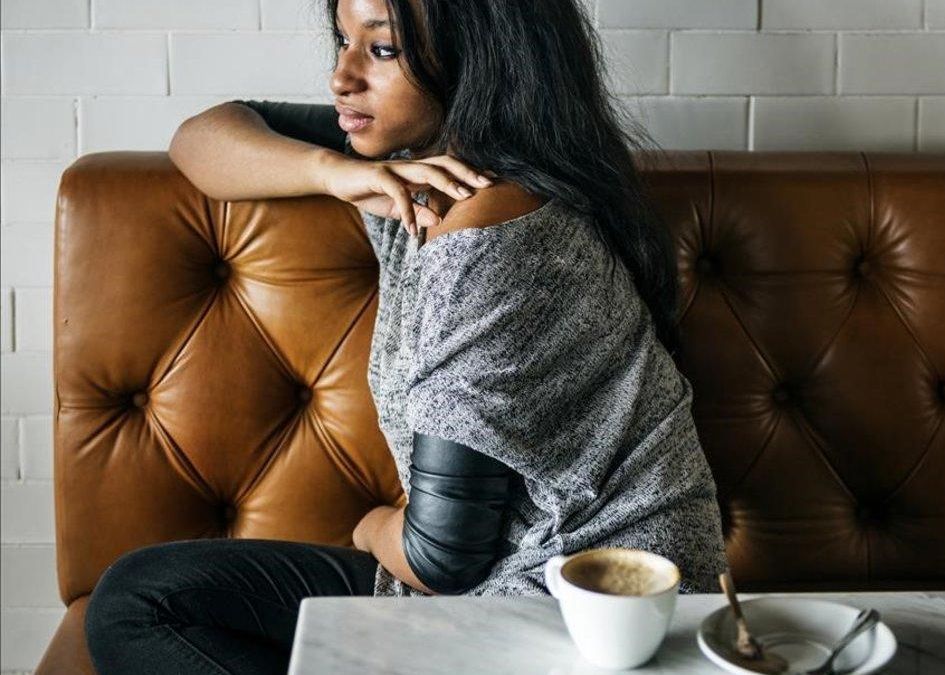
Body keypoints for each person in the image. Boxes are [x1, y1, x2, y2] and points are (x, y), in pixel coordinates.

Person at [84, 0, 729, 672]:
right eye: (343, 39)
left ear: (478, 64)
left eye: (383, 50)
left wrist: (366, 525)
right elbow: (202, 138)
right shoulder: (420, 161)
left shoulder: (487, 232)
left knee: (140, 606)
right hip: (517, 589)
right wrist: (335, 174)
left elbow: (442, 559)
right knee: (141, 595)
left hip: (587, 611)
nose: (341, 76)